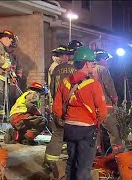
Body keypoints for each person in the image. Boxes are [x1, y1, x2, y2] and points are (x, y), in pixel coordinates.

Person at [52, 47, 107, 180]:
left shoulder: (64, 83)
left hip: (70, 128)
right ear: (86, 63)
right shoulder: (94, 84)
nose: (93, 65)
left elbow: (56, 108)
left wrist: (67, 118)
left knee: (71, 163)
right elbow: (103, 111)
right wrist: (96, 123)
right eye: (92, 63)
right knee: (83, 167)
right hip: (86, 129)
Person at [43, 44, 76, 175]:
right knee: (74, 136)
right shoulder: (76, 69)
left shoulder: (55, 69)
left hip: (58, 106)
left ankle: (49, 162)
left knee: (57, 135)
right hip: (72, 109)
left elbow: (51, 89)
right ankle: (70, 165)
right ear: (65, 56)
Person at [92, 49, 120, 150]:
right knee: (114, 131)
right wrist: (115, 99)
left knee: (96, 131)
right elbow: (109, 87)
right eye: (106, 59)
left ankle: (97, 151)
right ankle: (118, 153)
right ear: (103, 59)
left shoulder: (89, 69)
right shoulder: (103, 69)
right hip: (106, 106)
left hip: (92, 107)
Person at [0, 30, 17, 122]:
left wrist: (12, 76)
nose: (11, 43)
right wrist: (6, 66)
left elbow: (8, 65)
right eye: (11, 41)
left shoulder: (4, 51)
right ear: (6, 38)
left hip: (1, 81)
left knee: (0, 102)